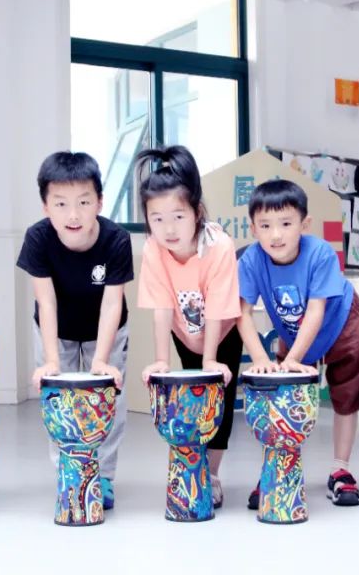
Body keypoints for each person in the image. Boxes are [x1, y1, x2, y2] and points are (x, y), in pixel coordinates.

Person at [237, 179, 359, 508]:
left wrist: (291, 360)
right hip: (295, 331)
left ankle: (340, 470)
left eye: (286, 224)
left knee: (346, 394)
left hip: (341, 321)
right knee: (285, 395)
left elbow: (315, 311)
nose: (276, 235)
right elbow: (242, 312)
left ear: (304, 224)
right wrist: (261, 359)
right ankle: (280, 466)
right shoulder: (251, 260)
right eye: (265, 226)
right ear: (253, 228)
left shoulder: (320, 253)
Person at [16, 152, 133, 510]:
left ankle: (105, 476)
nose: (73, 215)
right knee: (59, 401)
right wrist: (51, 360)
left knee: (109, 399)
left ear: (99, 202)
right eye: (61, 204)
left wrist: (101, 361)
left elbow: (112, 304)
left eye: (83, 202)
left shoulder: (116, 239)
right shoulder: (37, 238)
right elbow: (46, 302)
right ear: (45, 206)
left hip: (106, 328)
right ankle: (67, 471)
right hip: (56, 328)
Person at [136, 145, 242, 509]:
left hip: (222, 331)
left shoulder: (219, 246)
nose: (168, 228)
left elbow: (218, 308)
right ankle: (192, 464)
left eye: (178, 217)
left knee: (219, 401)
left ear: (196, 212)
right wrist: (161, 361)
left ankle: (213, 475)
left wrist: (211, 360)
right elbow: (161, 307)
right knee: (191, 399)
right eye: (157, 218)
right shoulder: (153, 249)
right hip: (184, 331)